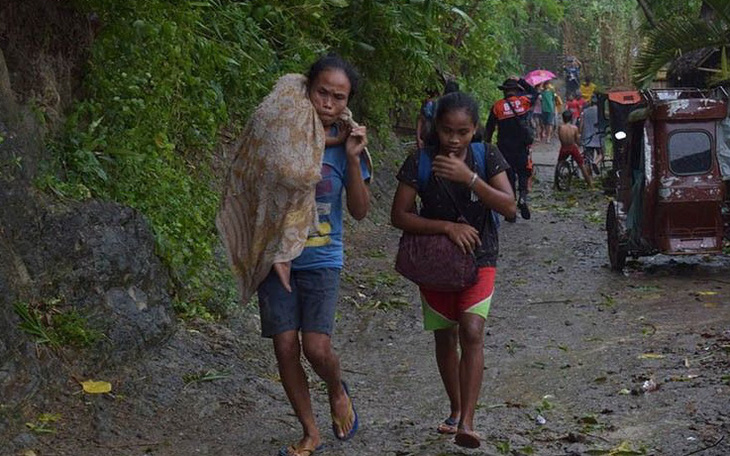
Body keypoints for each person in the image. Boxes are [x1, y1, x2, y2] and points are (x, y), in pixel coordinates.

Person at [256, 54, 371, 456]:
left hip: (323, 260)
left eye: (338, 98)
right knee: (285, 346)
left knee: (316, 348)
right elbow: (259, 197)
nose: (328, 103)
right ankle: (310, 431)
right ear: (307, 91)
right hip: (275, 258)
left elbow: (359, 210)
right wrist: (271, 250)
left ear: (347, 101)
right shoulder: (279, 134)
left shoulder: (347, 145)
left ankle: (336, 388)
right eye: (322, 92)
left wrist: (353, 158)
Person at [391, 91, 516, 450]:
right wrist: (446, 227)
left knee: (472, 330)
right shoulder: (420, 162)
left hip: (481, 257)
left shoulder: (487, 156)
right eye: (447, 131)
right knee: (445, 335)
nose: (455, 139)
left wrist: (470, 178)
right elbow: (399, 215)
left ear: (475, 129)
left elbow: (509, 207)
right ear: (436, 129)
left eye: (463, 131)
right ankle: (455, 407)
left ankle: (468, 422)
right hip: (436, 262)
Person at [485, 77, 537, 221]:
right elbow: (535, 93)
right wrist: (521, 80)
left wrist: (487, 146)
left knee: (509, 177)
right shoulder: (524, 102)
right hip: (522, 146)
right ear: (517, 90)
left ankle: (511, 209)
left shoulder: (497, 107)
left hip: (504, 148)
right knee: (523, 173)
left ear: (505, 91)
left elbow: (489, 129)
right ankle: (523, 199)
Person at [558, 109, 593, 187]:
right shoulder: (574, 128)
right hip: (572, 147)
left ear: (563, 118)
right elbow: (577, 140)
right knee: (581, 165)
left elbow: (560, 138)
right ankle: (590, 184)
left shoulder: (560, 127)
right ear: (571, 118)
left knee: (559, 163)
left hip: (564, 147)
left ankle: (555, 184)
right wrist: (580, 144)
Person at [580, 95, 602, 175]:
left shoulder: (585, 111)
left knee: (588, 159)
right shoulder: (601, 112)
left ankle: (590, 178)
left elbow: (581, 124)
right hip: (598, 136)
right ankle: (596, 162)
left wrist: (580, 134)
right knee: (601, 153)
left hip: (587, 137)